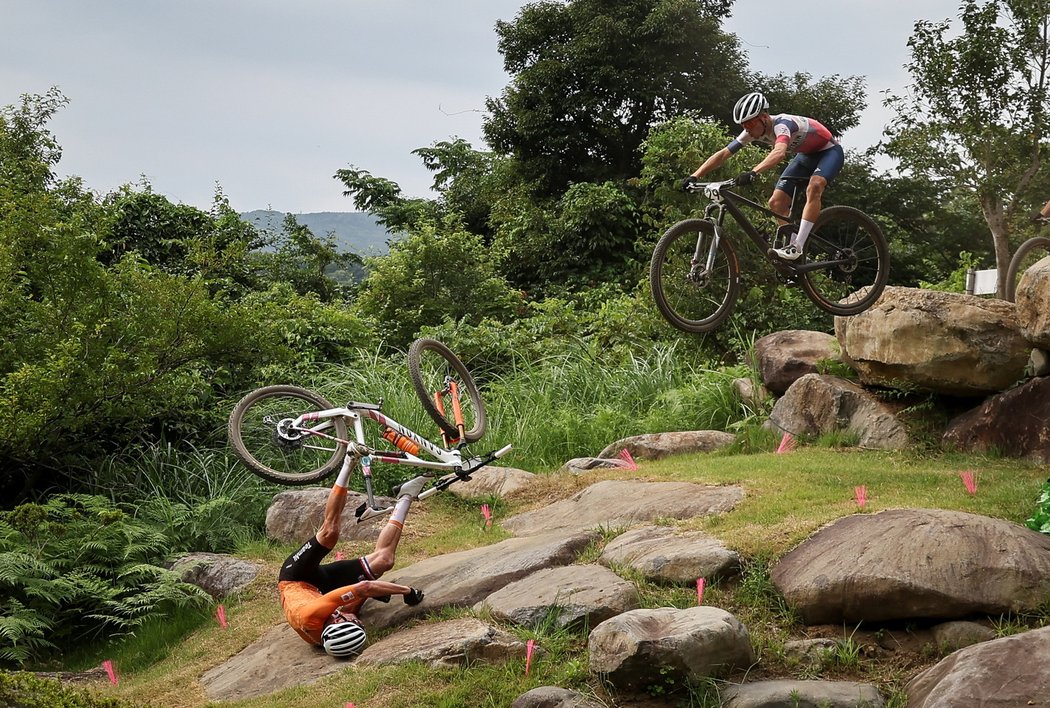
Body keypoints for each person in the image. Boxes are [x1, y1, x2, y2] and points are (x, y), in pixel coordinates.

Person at [277, 466, 428, 658]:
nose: (356, 620)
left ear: (337, 622)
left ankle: (349, 462)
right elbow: (357, 599)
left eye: (352, 622)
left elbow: (364, 587)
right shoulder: (332, 634)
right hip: (320, 590)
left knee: (330, 533)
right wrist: (362, 601)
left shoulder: (313, 614)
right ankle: (406, 495)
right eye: (357, 624)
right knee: (384, 560)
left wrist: (407, 592)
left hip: (295, 578)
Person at [682, 91, 845, 261]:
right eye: (744, 126)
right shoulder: (751, 131)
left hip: (829, 151)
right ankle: (794, 252)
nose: (748, 130)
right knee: (776, 203)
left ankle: (797, 247)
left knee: (815, 186)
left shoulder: (782, 125)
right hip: (805, 156)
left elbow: (779, 152)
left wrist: (754, 172)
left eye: (750, 125)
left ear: (764, 117)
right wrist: (695, 176)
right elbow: (724, 154)